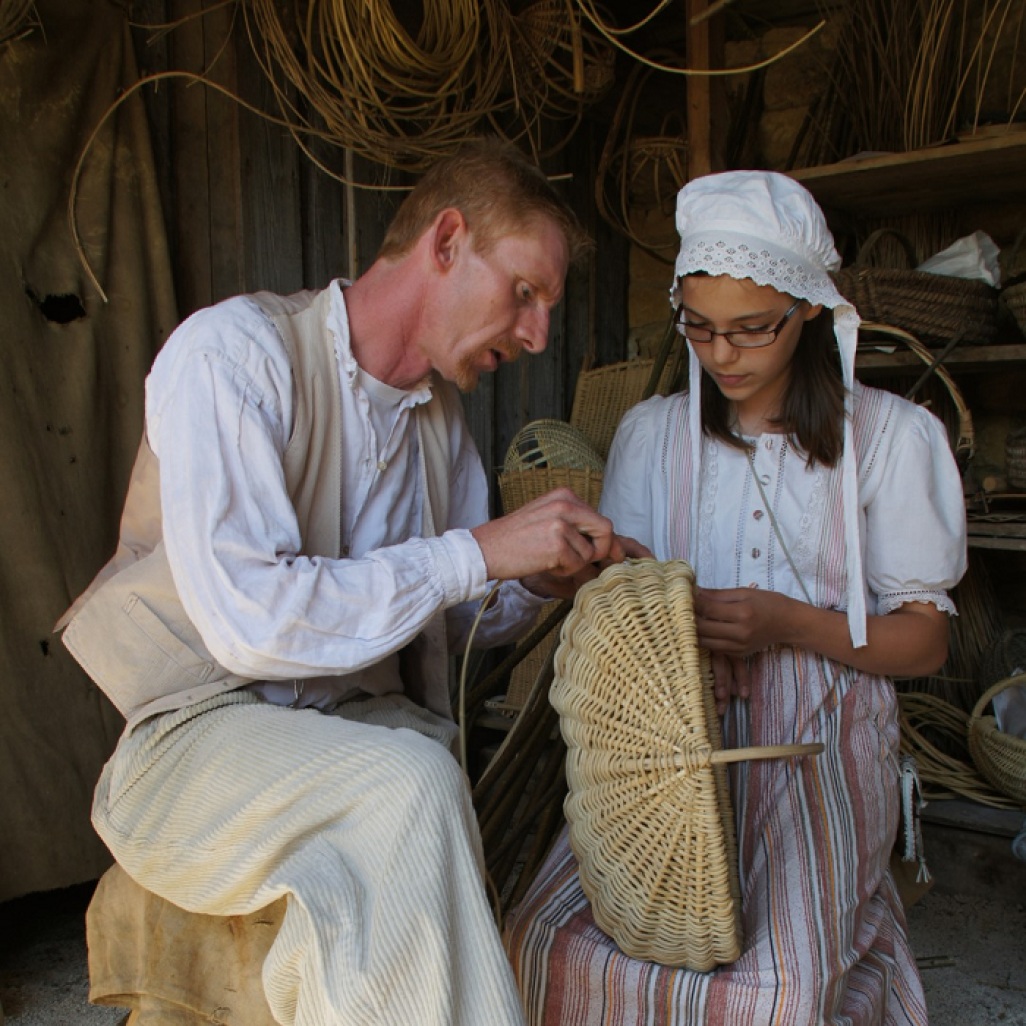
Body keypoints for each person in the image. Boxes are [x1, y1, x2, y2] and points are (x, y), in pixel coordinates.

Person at [57, 137, 646, 1026]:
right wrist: (479, 549)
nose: (537, 336)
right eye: (525, 293)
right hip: (194, 743)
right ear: (445, 242)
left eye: (547, 310)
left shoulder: (436, 424)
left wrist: (543, 579)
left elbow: (453, 612)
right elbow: (250, 622)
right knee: (408, 784)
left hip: (357, 735)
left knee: (411, 786)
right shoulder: (233, 356)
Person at [505, 171, 967, 1024]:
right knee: (541, 940)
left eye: (753, 330)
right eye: (702, 328)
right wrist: (671, 646)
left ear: (811, 312)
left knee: (773, 989)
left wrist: (789, 623)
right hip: (667, 755)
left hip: (817, 744)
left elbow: (926, 643)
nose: (723, 356)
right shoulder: (652, 435)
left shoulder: (894, 439)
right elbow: (625, 603)